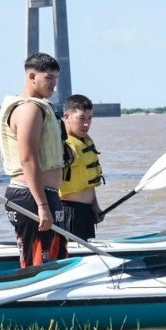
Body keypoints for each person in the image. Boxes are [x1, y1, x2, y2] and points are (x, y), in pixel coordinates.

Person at [0, 52, 68, 268]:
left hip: (43, 195)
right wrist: (42, 205)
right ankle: (35, 298)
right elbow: (27, 159)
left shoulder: (39, 107)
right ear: (31, 77)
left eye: (56, 78)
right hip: (31, 196)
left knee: (55, 259)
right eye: (49, 78)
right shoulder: (29, 109)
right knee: (38, 265)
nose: (54, 84)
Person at [59, 94, 104, 240]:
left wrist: (95, 205)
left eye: (89, 118)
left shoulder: (84, 141)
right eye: (81, 118)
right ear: (67, 116)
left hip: (87, 212)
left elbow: (87, 181)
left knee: (88, 257)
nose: (86, 124)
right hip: (68, 212)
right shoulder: (63, 146)